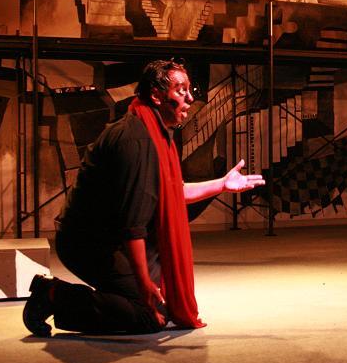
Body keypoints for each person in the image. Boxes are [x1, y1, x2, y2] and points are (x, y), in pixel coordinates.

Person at [23, 58, 265, 336]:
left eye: (190, 89)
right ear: (156, 96)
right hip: (88, 243)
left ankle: (123, 293)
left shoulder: (154, 132)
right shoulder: (137, 141)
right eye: (180, 90)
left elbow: (172, 194)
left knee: (159, 302)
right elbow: (132, 225)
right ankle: (52, 294)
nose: (190, 98)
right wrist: (143, 283)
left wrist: (222, 184)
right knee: (148, 316)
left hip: (112, 237)